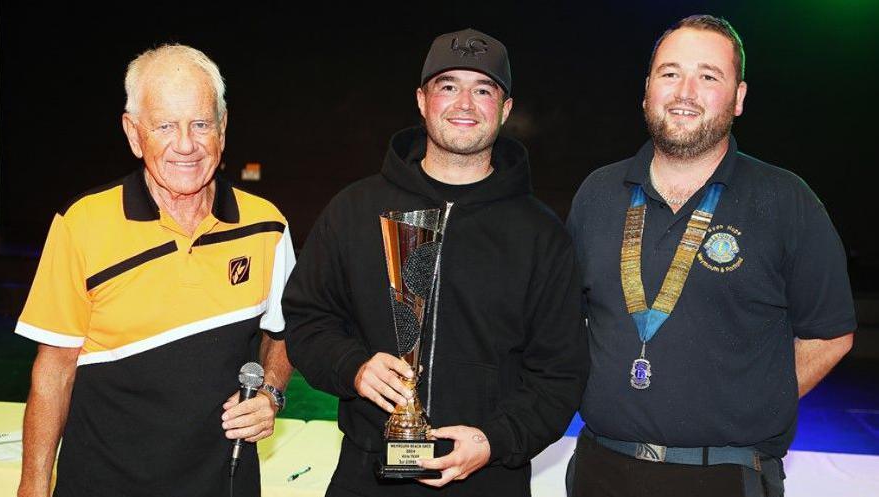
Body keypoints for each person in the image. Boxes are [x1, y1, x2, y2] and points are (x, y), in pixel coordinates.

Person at [284, 28, 584, 496]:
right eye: (448, 86)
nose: (465, 103)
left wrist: (494, 441)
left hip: (490, 480)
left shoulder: (541, 235)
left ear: (505, 110)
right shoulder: (354, 209)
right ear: (422, 100)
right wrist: (354, 367)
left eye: (482, 90)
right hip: (368, 475)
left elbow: (560, 374)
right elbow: (307, 318)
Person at [566, 15, 856, 497]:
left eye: (708, 76)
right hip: (600, 467)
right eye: (670, 73)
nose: (685, 91)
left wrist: (754, 404)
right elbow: (568, 320)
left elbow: (830, 335)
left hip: (724, 475)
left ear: (738, 97)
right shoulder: (597, 193)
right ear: (646, 90)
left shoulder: (785, 199)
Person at [14, 44, 294, 497]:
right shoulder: (81, 225)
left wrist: (271, 395)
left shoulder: (268, 226)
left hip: (224, 484)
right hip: (102, 483)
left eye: (201, 124)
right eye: (165, 126)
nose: (186, 145)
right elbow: (54, 370)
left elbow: (283, 333)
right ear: (133, 132)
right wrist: (32, 486)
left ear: (223, 129)